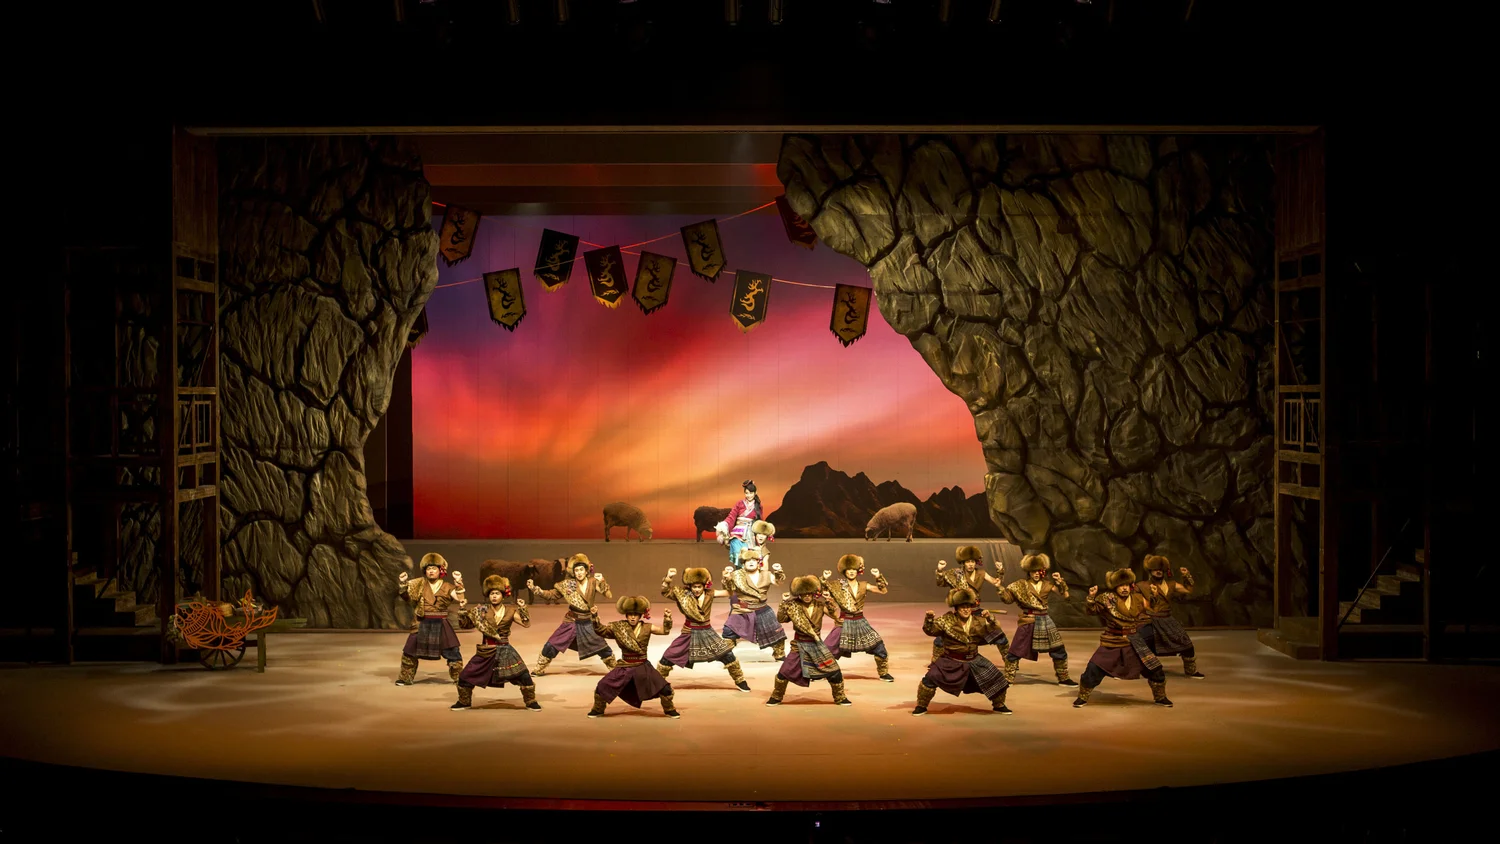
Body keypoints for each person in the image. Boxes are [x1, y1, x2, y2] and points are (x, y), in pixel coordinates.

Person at [1075, 569, 1172, 708]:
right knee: (1094, 667)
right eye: (1121, 585)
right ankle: (1082, 697)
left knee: (1154, 668)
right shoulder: (1107, 598)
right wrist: (1091, 597)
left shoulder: (1138, 598)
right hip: (1112, 640)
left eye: (1126, 585)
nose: (1124, 588)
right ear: (1115, 587)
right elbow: (1092, 610)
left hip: (1134, 640)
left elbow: (1152, 608)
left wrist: (1155, 596)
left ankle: (1160, 697)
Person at [912, 586, 1012, 716]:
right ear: (956, 608)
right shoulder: (946, 620)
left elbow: (993, 629)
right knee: (930, 679)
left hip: (974, 660)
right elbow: (930, 631)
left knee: (996, 679)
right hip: (951, 660)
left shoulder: (978, 621)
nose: (966, 609)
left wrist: (990, 618)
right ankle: (921, 706)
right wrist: (929, 619)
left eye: (968, 606)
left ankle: (999, 705)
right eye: (962, 606)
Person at [451, 575, 540, 711]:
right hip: (486, 649)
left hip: (505, 649)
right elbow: (465, 625)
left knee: (524, 675)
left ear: (503, 595)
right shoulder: (481, 610)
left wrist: (523, 608)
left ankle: (531, 701)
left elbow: (526, 623)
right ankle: (464, 702)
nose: (494, 596)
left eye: (497, 593)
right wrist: (462, 609)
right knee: (465, 676)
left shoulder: (510, 611)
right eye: (492, 593)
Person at [658, 567, 750, 691]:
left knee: (727, 655)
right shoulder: (682, 594)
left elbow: (730, 592)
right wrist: (669, 577)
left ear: (704, 586)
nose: (696, 589)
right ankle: (657, 683)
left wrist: (728, 579)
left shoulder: (710, 593)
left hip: (707, 631)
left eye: (699, 587)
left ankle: (740, 681)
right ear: (690, 586)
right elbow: (665, 591)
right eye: (694, 587)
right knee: (668, 656)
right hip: (688, 632)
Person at [586, 597, 678, 718]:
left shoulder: (647, 627)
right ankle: (598, 709)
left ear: (640, 615)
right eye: (630, 614)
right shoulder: (618, 627)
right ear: (626, 615)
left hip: (643, 666)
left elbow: (665, 631)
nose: (633, 617)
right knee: (602, 686)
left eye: (635, 615)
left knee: (665, 689)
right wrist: (594, 616)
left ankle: (669, 709)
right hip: (625, 666)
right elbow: (600, 630)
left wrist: (667, 618)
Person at [766, 575, 850, 707]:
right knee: (784, 672)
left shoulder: (820, 605)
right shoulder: (793, 605)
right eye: (803, 594)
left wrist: (829, 601)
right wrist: (783, 603)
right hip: (798, 644)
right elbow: (781, 619)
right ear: (799, 594)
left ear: (813, 593)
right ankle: (776, 696)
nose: (806, 596)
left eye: (809, 593)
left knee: (834, 671)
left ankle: (840, 697)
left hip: (816, 643)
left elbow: (834, 615)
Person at [527, 554, 617, 675]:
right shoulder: (569, 584)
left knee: (602, 648)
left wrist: (602, 581)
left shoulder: (593, 582)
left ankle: (615, 670)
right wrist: (536, 589)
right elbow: (552, 595)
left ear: (586, 571)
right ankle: (539, 668)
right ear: (573, 572)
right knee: (552, 644)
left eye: (581, 569)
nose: (579, 573)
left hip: (588, 621)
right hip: (571, 621)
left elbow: (609, 595)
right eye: (576, 570)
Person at [997, 553, 1076, 686]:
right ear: (1028, 572)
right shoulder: (1020, 585)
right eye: (1033, 571)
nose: (1036, 574)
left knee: (1058, 650)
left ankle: (1063, 678)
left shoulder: (1047, 584)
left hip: (1045, 620)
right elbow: (1007, 599)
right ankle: (1008, 678)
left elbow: (1065, 596)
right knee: (1015, 650)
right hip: (1028, 620)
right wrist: (999, 587)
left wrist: (1060, 582)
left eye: (1038, 571)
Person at [820, 554, 894, 682]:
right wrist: (824, 578)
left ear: (858, 570)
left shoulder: (864, 585)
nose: (851, 572)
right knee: (828, 648)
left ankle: (883, 673)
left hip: (860, 622)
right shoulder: (836, 585)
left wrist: (878, 576)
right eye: (849, 569)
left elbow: (883, 590)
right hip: (843, 622)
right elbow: (821, 591)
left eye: (854, 569)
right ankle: (822, 672)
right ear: (844, 571)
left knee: (879, 647)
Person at [396, 553, 466, 686]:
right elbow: (406, 597)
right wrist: (403, 583)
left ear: (440, 570)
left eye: (434, 568)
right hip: (421, 621)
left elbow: (460, 598)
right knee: (410, 651)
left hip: (441, 622)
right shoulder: (418, 584)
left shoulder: (447, 586)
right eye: (428, 568)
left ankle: (459, 677)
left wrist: (458, 582)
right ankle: (405, 678)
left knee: (452, 651)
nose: (431, 571)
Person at [932, 546, 1008, 665]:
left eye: (972, 561)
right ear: (963, 562)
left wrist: (1000, 571)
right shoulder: (956, 574)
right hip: (961, 613)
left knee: (999, 636)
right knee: (941, 639)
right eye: (968, 562)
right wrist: (940, 570)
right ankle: (936, 662)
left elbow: (996, 582)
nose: (970, 564)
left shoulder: (981, 573)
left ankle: (1009, 661)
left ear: (976, 562)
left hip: (976, 612)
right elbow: (940, 583)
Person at [1137, 555, 1205, 679]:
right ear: (1150, 570)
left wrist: (1187, 576)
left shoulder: (1171, 584)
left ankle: (1191, 670)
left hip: (1167, 619)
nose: (1158, 572)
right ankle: (1139, 669)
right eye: (1155, 569)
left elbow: (1188, 590)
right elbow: (1142, 605)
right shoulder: (1142, 586)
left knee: (1186, 644)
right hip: (1149, 619)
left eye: (1160, 569)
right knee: (1142, 643)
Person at [720, 548, 788, 661]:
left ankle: (779, 654)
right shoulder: (736, 575)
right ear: (743, 563)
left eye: (753, 560)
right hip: (742, 610)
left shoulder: (766, 574)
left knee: (777, 634)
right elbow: (730, 589)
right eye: (747, 560)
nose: (751, 562)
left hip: (762, 609)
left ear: (758, 562)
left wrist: (778, 572)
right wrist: (727, 578)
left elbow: (778, 582)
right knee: (728, 632)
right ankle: (727, 657)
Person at [715, 480, 767, 569]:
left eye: (751, 493)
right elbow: (731, 517)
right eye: (746, 493)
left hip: (751, 535)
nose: (749, 495)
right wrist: (724, 526)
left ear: (755, 493)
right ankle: (739, 575)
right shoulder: (739, 503)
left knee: (750, 559)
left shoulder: (758, 506)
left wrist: (762, 534)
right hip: (737, 534)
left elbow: (759, 523)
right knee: (738, 556)